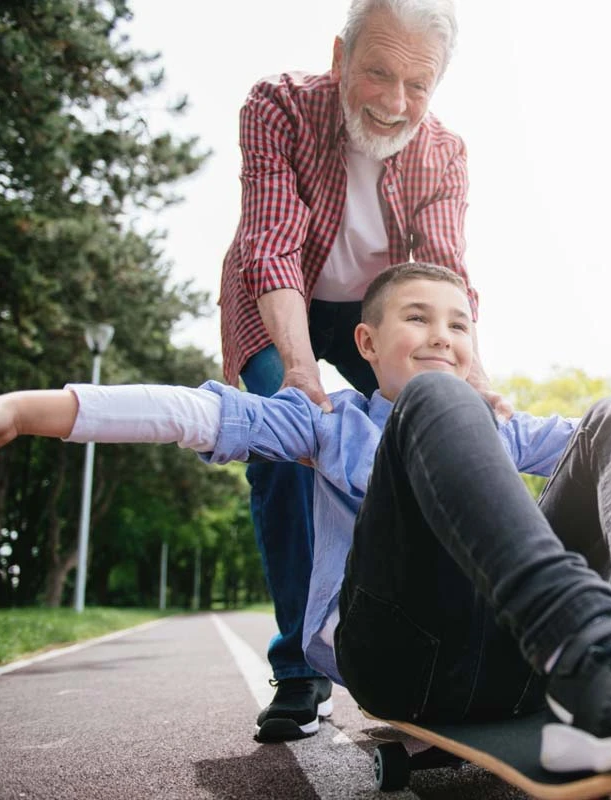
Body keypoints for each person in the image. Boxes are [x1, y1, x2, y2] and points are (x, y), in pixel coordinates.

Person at [0, 263, 611, 772]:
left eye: (459, 325)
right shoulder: (325, 419)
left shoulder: (495, 420)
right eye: (418, 320)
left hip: (512, 655)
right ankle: (592, 654)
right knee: (438, 407)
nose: (443, 339)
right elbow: (187, 411)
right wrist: (19, 410)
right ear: (367, 343)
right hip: (399, 654)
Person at [217, 0, 495, 740]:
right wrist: (302, 373)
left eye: (417, 84)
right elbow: (270, 245)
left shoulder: (444, 150)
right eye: (376, 71)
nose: (394, 101)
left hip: (385, 311)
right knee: (284, 447)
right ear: (340, 59)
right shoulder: (277, 105)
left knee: (443, 439)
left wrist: (474, 378)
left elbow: (443, 274)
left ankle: (450, 647)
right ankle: (300, 670)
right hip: (285, 297)